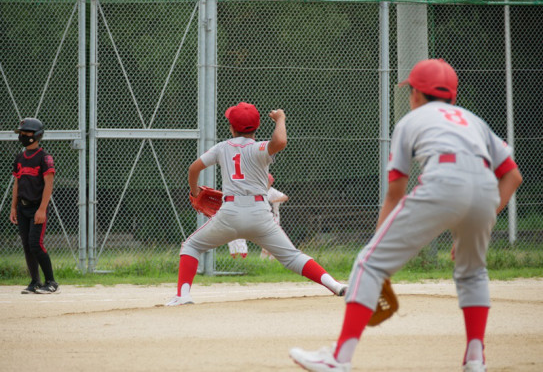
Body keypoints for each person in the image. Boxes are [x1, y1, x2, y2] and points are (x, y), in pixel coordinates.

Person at [289, 59, 523, 372]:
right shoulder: (474, 121)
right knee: (473, 274)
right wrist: (481, 221)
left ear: (415, 94)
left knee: (369, 263)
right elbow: (512, 176)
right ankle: (475, 360)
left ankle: (338, 359)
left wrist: (376, 250)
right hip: (485, 189)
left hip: (443, 180)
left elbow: (395, 192)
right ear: (452, 95)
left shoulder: (409, 122)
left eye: (410, 90)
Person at [167, 102, 347, 306]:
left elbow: (193, 169)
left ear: (231, 128)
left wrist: (195, 190)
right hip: (260, 214)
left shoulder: (222, 148)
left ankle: (183, 296)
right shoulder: (260, 148)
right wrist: (280, 119)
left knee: (192, 245)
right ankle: (336, 286)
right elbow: (280, 142)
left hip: (230, 214)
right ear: (257, 126)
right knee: (292, 257)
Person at [10, 118, 60, 294]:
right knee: (26, 246)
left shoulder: (44, 158)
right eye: (21, 133)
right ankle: (35, 282)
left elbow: (49, 184)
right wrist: (14, 207)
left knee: (35, 244)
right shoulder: (20, 158)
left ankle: (51, 282)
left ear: (37, 135)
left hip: (37, 207)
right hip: (22, 208)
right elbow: (17, 184)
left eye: (27, 133)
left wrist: (42, 209)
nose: (23, 136)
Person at [261, 173, 289, 260]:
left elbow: (285, 197)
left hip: (274, 219)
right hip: (264, 219)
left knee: (272, 239)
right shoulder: (260, 191)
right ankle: (266, 260)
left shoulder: (273, 191)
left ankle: (270, 258)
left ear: (271, 182)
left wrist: (273, 200)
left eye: (267, 181)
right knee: (266, 239)